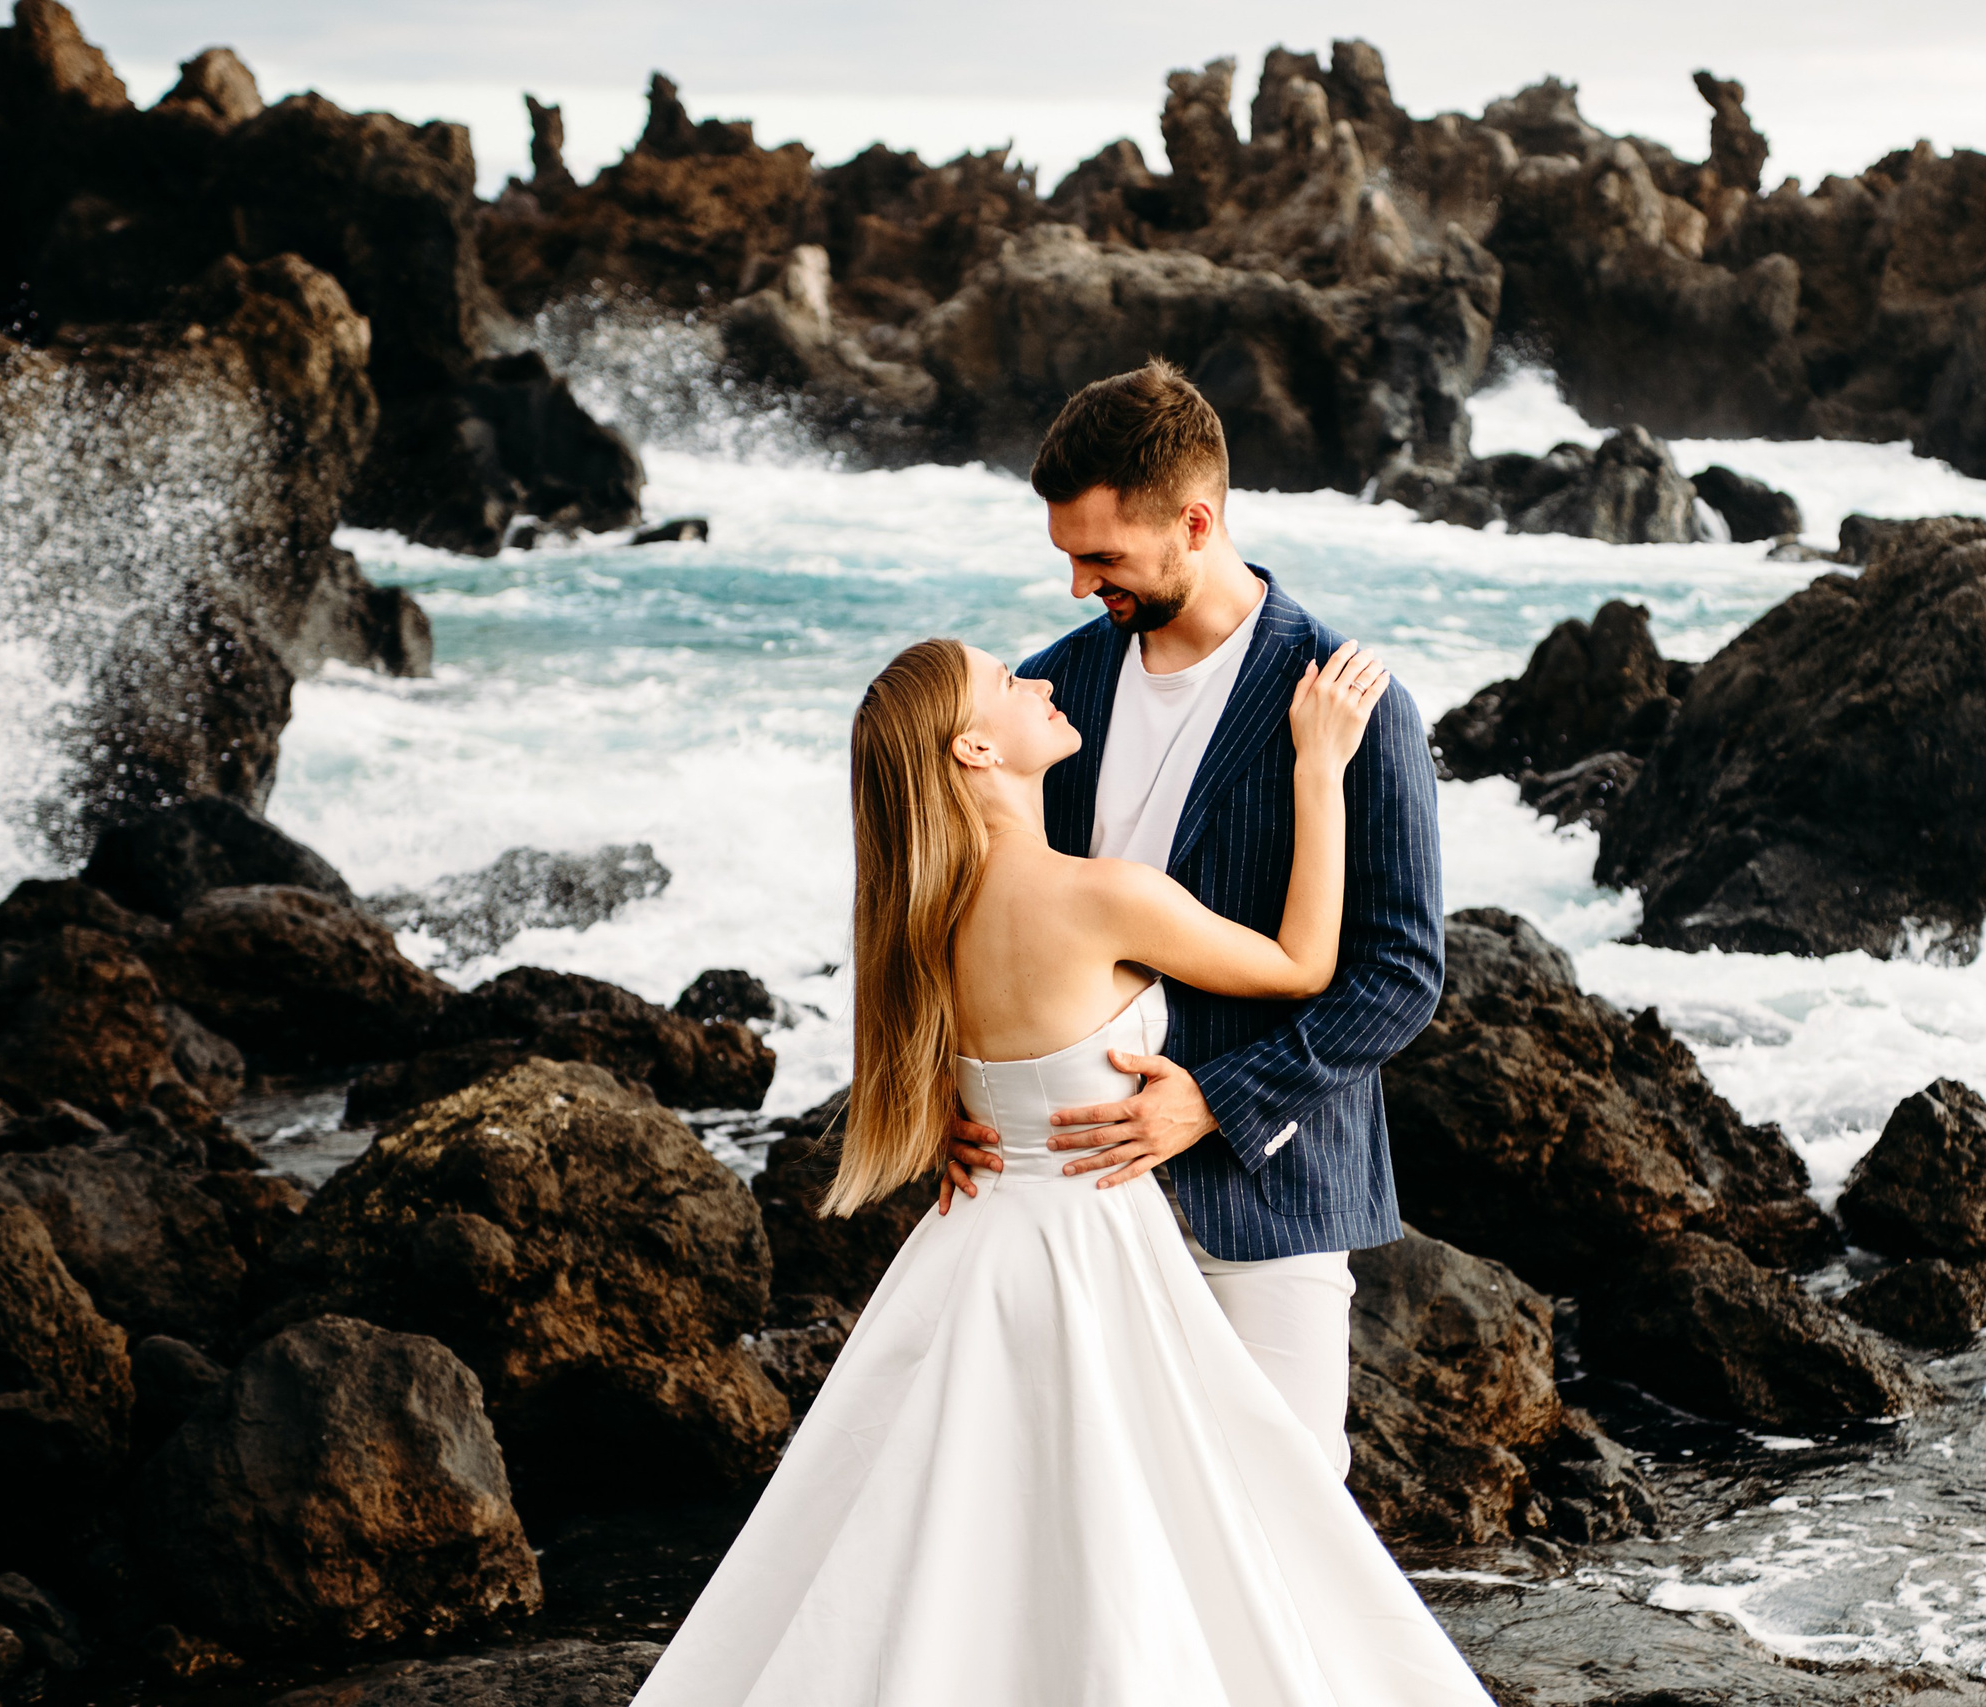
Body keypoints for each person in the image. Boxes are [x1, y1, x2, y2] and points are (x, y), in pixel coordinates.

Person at [629, 633, 1486, 1699]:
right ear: (976, 749)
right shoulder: (1099, 896)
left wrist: (961, 1113)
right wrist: (1319, 765)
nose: (1037, 679)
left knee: (963, 1540)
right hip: (1096, 1242)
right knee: (1150, 1530)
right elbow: (1304, 964)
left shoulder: (924, 915)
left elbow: (931, 1068)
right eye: (1005, 683)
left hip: (978, 1238)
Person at [944, 358, 1445, 1479]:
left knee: (1283, 1517)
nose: (1079, 585)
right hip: (1061, 1199)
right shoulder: (1045, 690)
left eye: (1102, 556)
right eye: (1067, 555)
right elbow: (967, 913)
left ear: (1195, 523)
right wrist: (948, 1087)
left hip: (1268, 1191)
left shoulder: (1349, 701)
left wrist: (1213, 1105)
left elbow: (1400, 973)